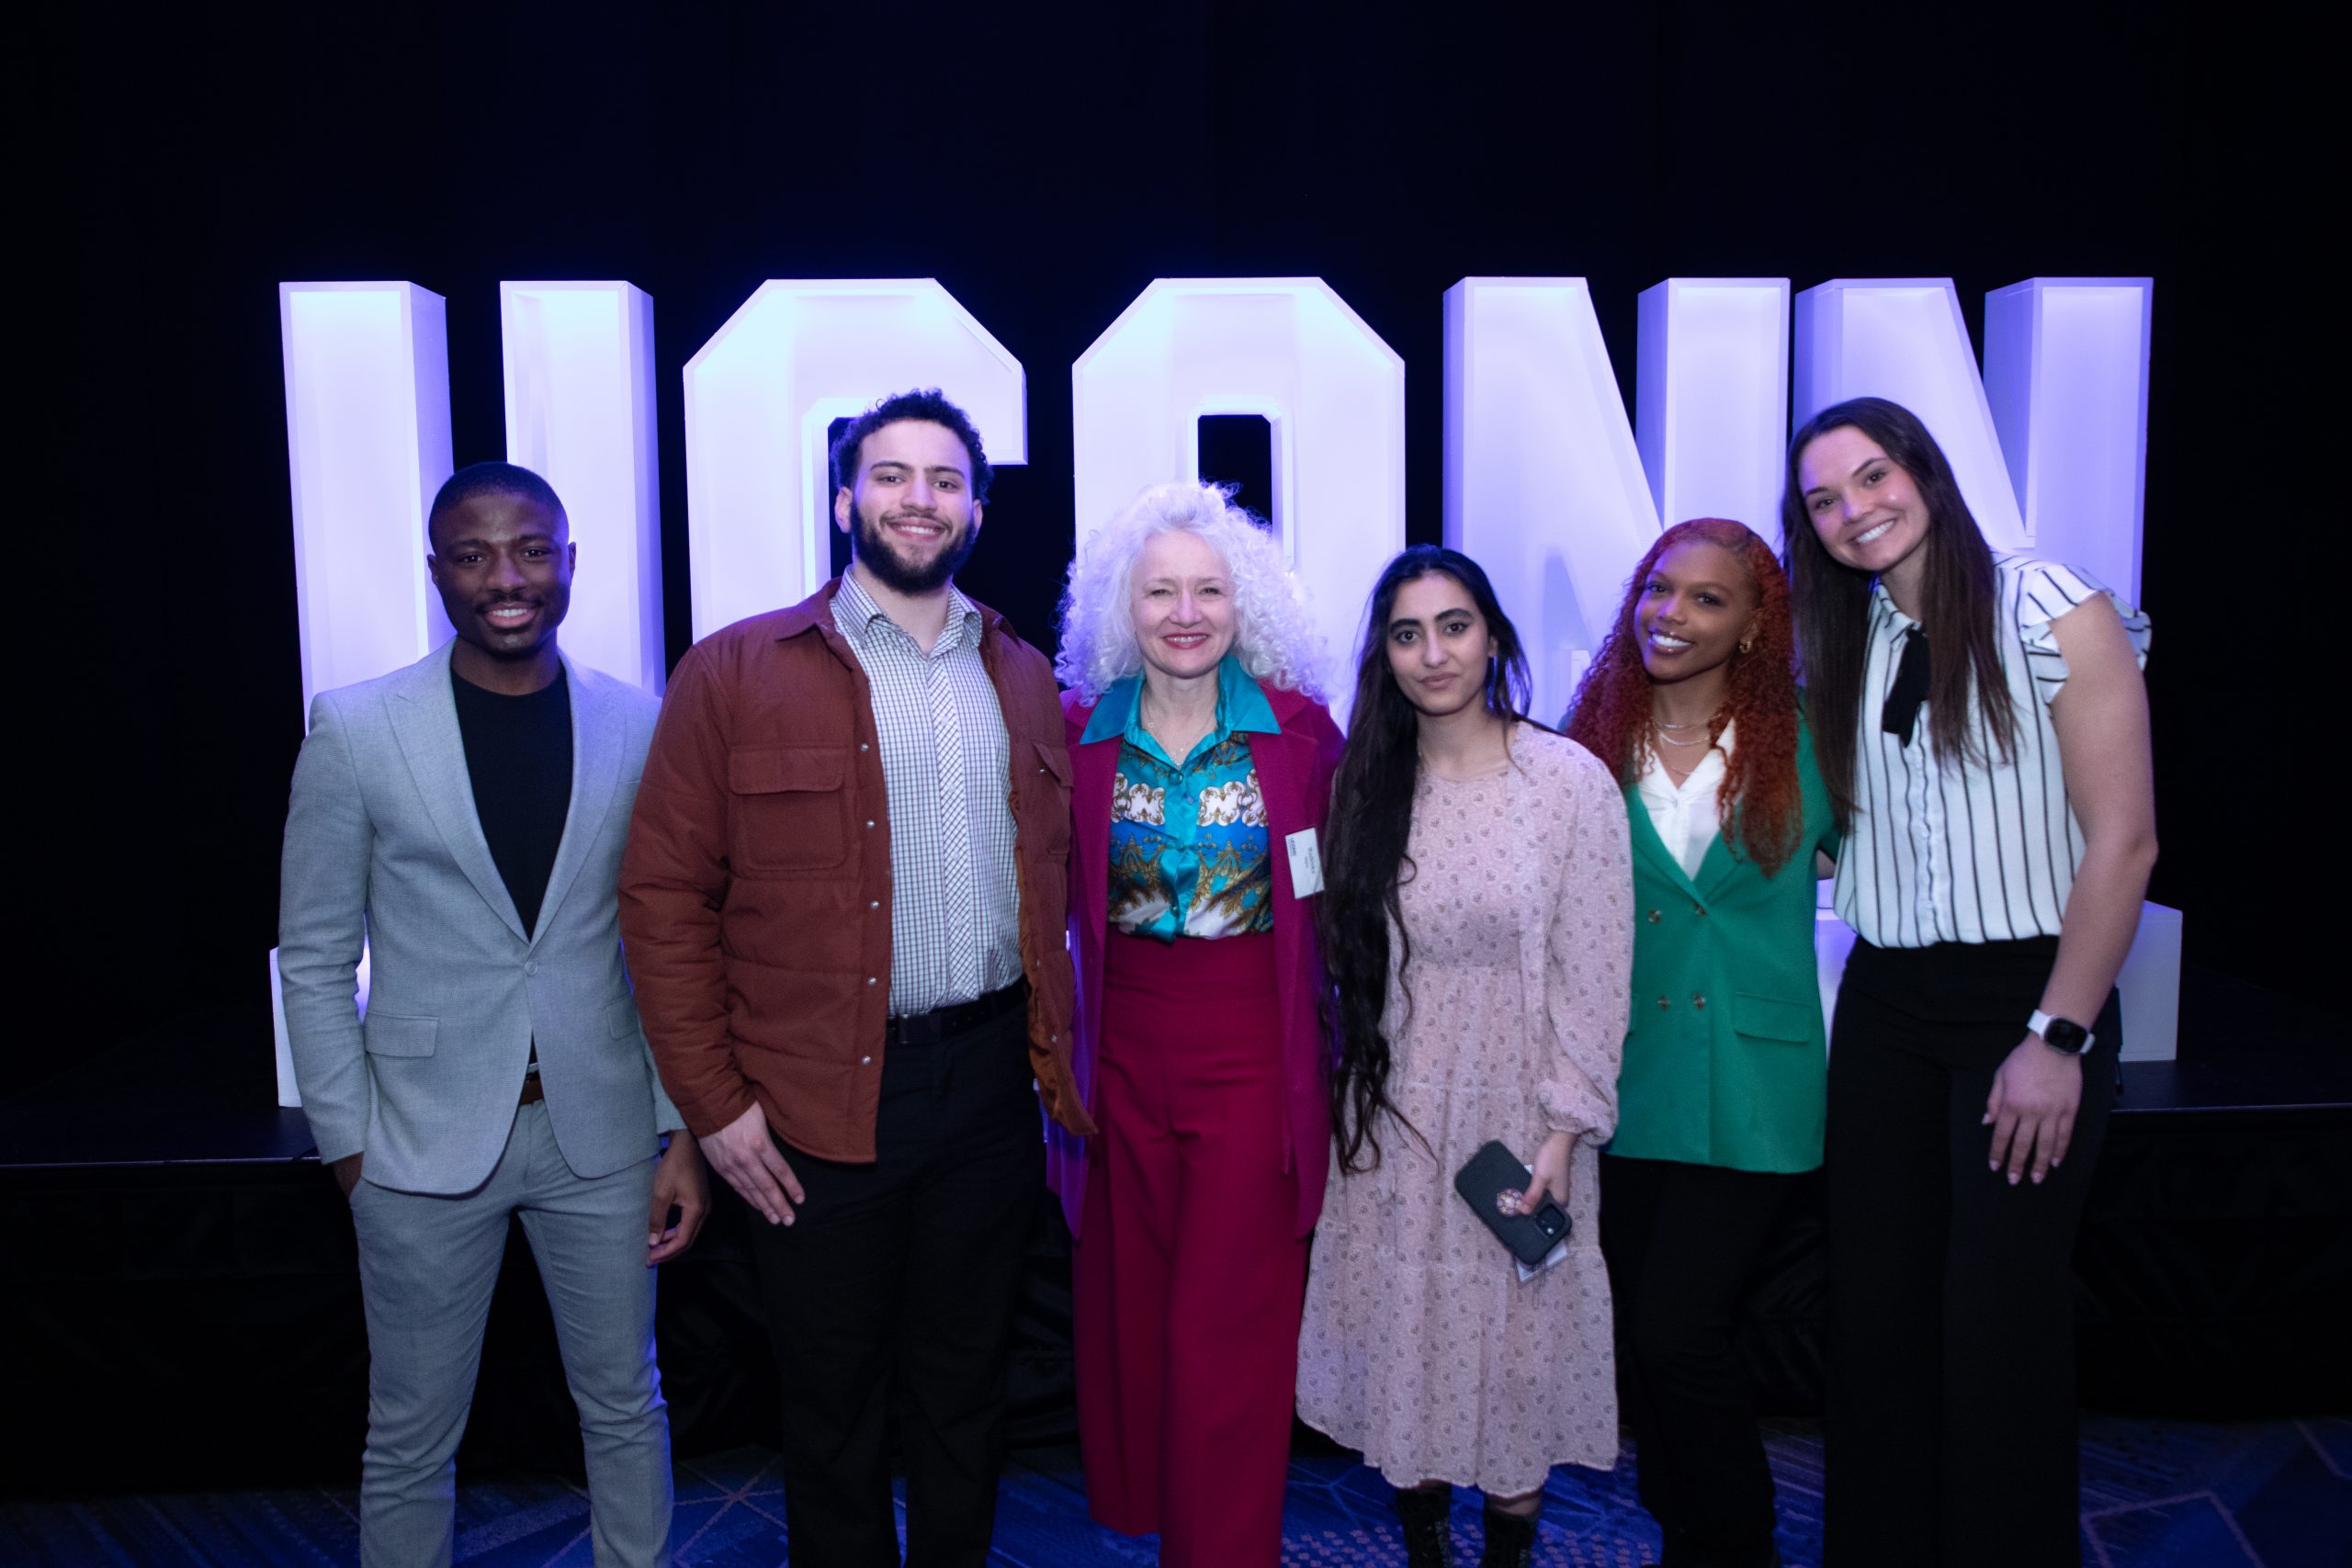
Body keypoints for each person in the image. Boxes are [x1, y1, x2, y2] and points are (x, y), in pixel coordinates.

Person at [617, 389, 1088, 1568]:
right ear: (843, 499)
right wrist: (712, 1110)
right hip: (813, 1101)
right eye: (890, 476)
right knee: (830, 1417)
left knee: (964, 1400)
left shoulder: (1023, 675)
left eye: (942, 479)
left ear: (974, 506)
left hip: (986, 1089)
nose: (916, 500)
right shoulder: (735, 671)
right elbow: (664, 899)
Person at [278, 460, 707, 1568]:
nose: (503, 578)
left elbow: (665, 940)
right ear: (437, 573)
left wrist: (679, 1131)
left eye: (528, 551)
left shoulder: (635, 721)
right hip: (415, 1143)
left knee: (625, 1405)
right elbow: (316, 957)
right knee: (411, 1436)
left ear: (570, 563)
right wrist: (349, 1145)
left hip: (602, 1133)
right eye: (472, 556)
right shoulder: (358, 729)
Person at [1785, 397, 2156, 1568]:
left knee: (1999, 1321)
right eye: (1824, 500)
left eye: (1873, 476)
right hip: (1890, 1010)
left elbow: (2125, 843)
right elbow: (1852, 837)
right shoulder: (1844, 642)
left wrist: (2058, 1034)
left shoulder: (2053, 606)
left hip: (2029, 1001)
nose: (1855, 509)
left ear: (1927, 475)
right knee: (1877, 1320)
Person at [1296, 545, 1631, 1568]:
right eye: (1407, 633)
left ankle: (1507, 1557)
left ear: (1493, 638)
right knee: (1413, 1333)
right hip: (1394, 1117)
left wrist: (1564, 1130)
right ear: (1384, 654)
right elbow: (1321, 944)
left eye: (1454, 626)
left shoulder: (1567, 782)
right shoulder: (1359, 784)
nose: (1432, 653)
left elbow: (1598, 963)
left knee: (1517, 1346)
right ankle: (1427, 1549)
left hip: (1520, 1118)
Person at [1050, 480, 1342, 1567]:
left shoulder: (1302, 736)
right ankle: (1164, 1526)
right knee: (1134, 1318)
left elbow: (1348, 900)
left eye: (1208, 590)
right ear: (1118, 609)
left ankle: (1225, 1552)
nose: (1184, 612)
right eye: (1158, 590)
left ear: (1244, 602)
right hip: (1117, 1057)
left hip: (1256, 1058)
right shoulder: (1076, 735)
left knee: (1228, 1330)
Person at [1562, 519, 1838, 1568]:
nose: (1670, 615)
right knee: (1651, 1339)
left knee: (1680, 1330)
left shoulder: (1817, 742)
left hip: (1756, 1092)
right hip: (1623, 1082)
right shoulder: (1582, 742)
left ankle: (1735, 1545)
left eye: (1705, 599)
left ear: (1756, 622)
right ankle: (1691, 1537)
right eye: (1657, 590)